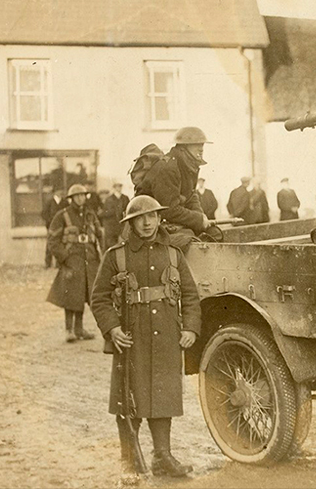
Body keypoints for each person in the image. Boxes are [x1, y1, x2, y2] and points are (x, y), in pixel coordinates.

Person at [90, 195, 200, 486]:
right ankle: (129, 462)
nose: (148, 222)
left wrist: (190, 328)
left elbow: (189, 294)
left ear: (160, 218)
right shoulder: (117, 256)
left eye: (152, 216)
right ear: (131, 222)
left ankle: (163, 456)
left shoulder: (173, 253)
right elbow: (99, 297)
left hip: (166, 335)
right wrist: (112, 329)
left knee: (163, 396)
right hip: (131, 338)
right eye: (141, 218)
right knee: (129, 399)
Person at [135, 127, 212, 249]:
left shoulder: (189, 164)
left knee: (213, 234)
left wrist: (201, 217)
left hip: (169, 221)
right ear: (183, 147)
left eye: (202, 144)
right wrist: (198, 220)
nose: (201, 148)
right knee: (188, 240)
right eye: (196, 144)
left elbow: (191, 195)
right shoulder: (168, 168)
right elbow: (169, 210)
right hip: (150, 224)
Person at [46, 184, 103, 343]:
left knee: (84, 294)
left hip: (89, 261)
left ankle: (79, 329)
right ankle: (69, 330)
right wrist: (64, 257)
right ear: (71, 199)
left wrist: (101, 255)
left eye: (83, 195)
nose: (81, 198)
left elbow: (99, 234)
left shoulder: (90, 215)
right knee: (70, 295)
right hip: (72, 261)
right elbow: (52, 240)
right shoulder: (62, 215)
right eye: (77, 196)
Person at [101, 184, 130, 249]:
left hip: (122, 225)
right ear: (114, 188)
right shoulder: (109, 199)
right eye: (117, 186)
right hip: (112, 226)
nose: (118, 188)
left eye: (120, 186)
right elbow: (105, 213)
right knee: (111, 244)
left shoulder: (125, 198)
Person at [42, 189, 64, 268]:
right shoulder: (49, 202)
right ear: (55, 192)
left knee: (61, 244)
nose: (61, 192)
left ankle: (59, 263)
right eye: (59, 190)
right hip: (51, 227)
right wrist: (49, 222)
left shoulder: (64, 202)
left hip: (61, 226)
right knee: (50, 244)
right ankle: (48, 263)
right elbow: (44, 214)